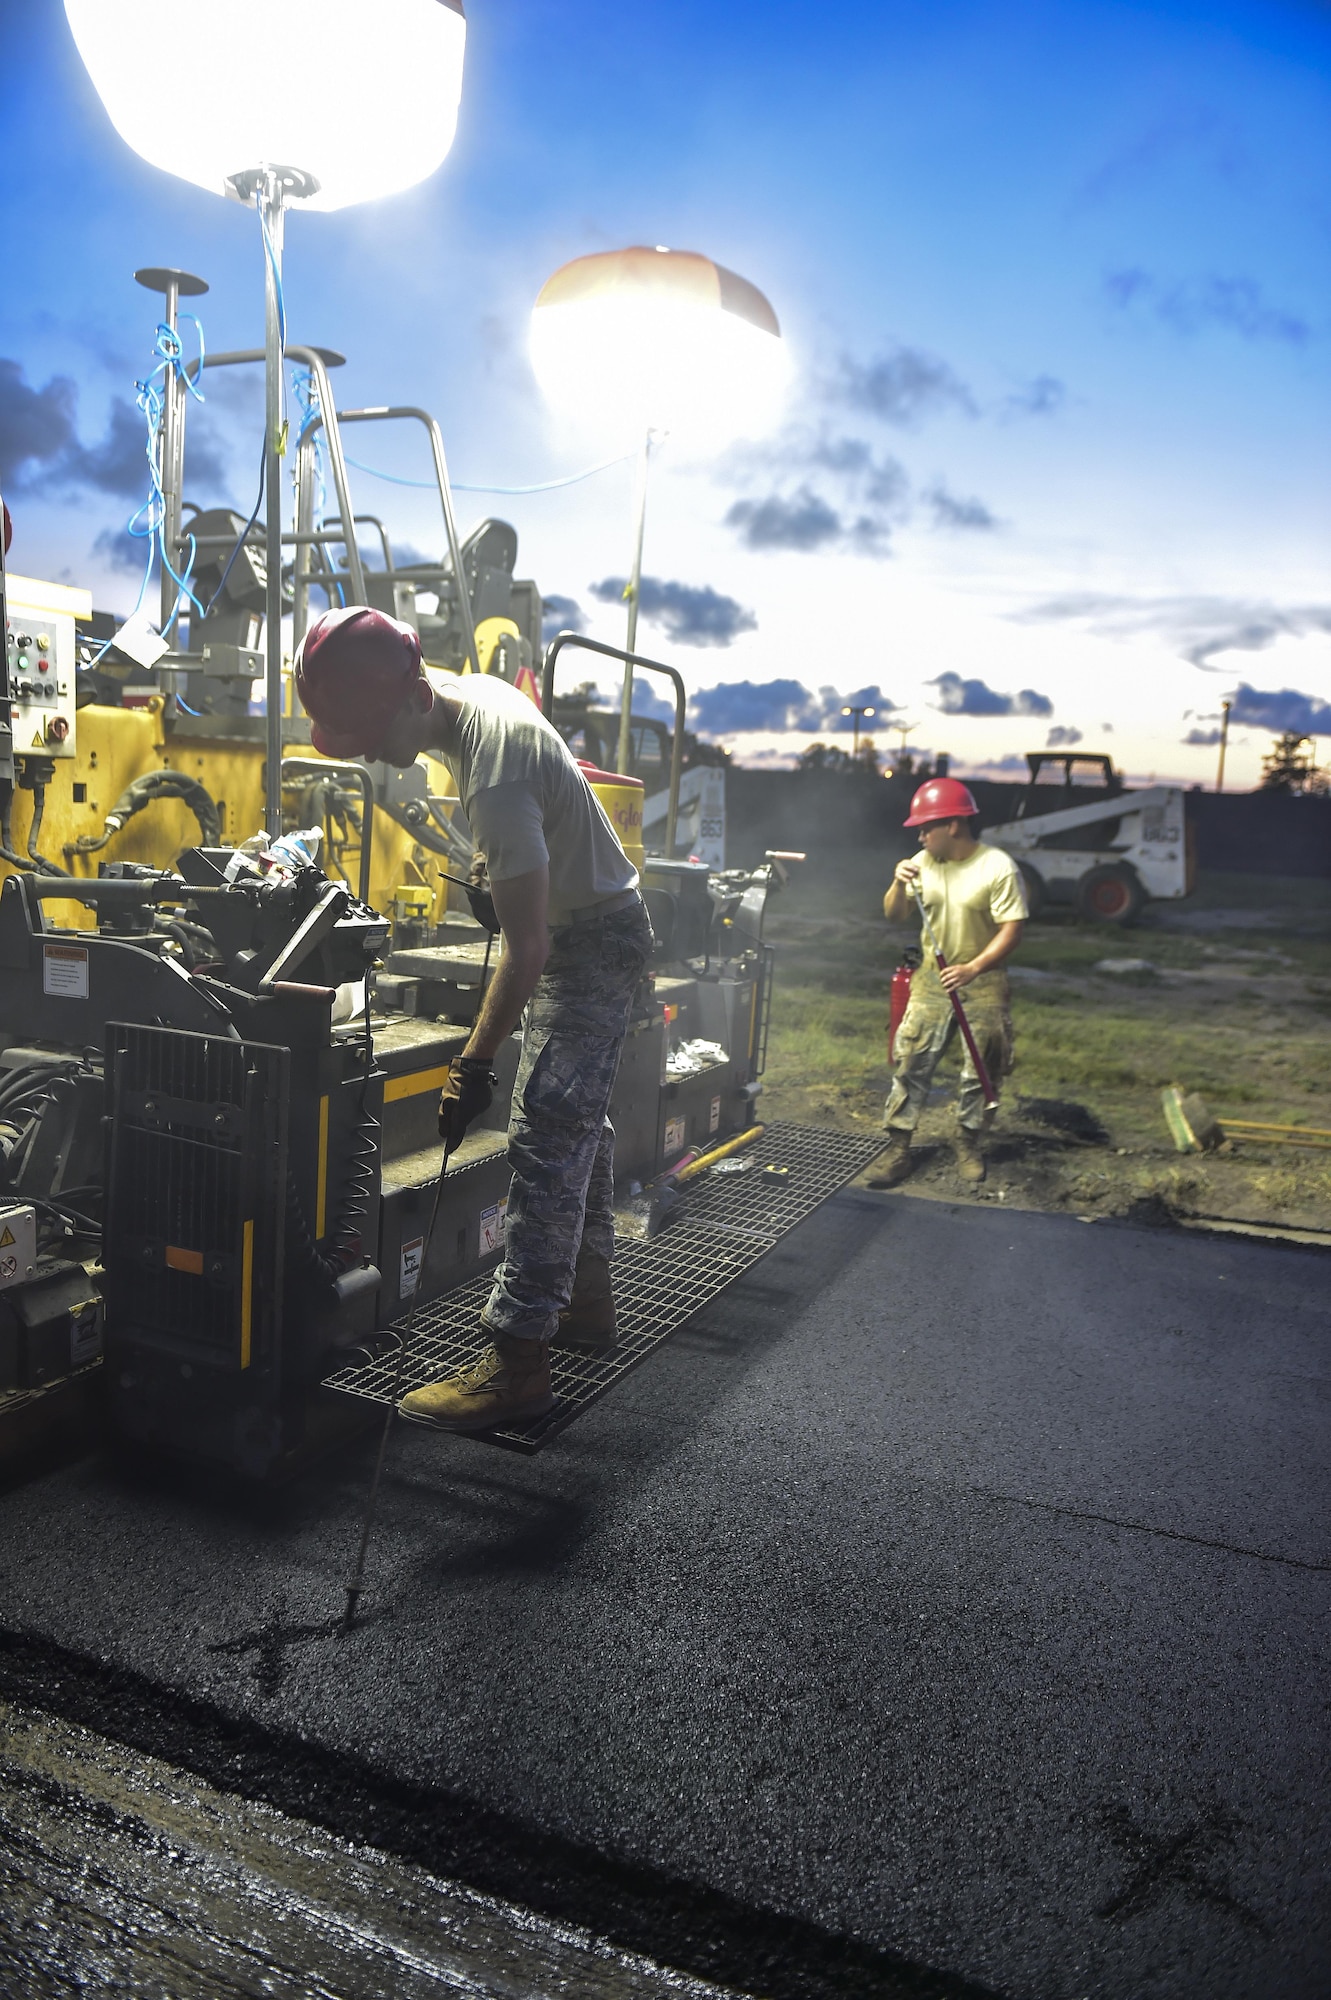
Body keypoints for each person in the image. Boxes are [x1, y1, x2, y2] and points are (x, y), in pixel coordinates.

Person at [295, 605, 652, 1430]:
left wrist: (473, 1062)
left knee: (544, 1136)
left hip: (587, 943)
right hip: (594, 924)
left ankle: (517, 1360)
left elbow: (525, 953)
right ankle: (585, 1303)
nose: (371, 754)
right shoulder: (460, 692)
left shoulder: (494, 773)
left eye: (372, 734)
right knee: (577, 1126)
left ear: (414, 697)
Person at [871, 777, 1026, 1189]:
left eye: (926, 827)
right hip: (931, 977)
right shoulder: (920, 863)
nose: (920, 835)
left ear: (954, 825)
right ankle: (899, 1147)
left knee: (983, 1064)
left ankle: (967, 1140)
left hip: (984, 977)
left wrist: (974, 968)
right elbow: (893, 915)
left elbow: (1011, 930)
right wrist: (898, 883)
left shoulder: (997, 867)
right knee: (911, 1060)